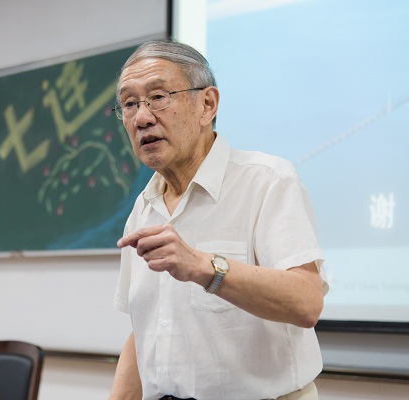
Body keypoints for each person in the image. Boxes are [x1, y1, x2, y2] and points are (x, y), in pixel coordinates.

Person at [109, 39, 329, 400]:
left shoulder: (266, 180)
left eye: (158, 97)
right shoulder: (143, 208)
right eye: (129, 104)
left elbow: (306, 302)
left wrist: (204, 266)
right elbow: (144, 333)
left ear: (207, 104)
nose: (141, 118)